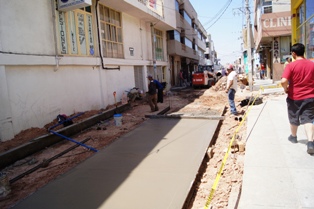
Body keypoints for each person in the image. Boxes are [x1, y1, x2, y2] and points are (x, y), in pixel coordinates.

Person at [281, 43, 314, 155]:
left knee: (294, 116)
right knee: (308, 119)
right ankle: (310, 142)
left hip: (294, 97)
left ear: (294, 53)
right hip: (310, 97)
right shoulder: (312, 64)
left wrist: (286, 89)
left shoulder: (291, 65)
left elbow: (283, 81)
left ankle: (293, 137)